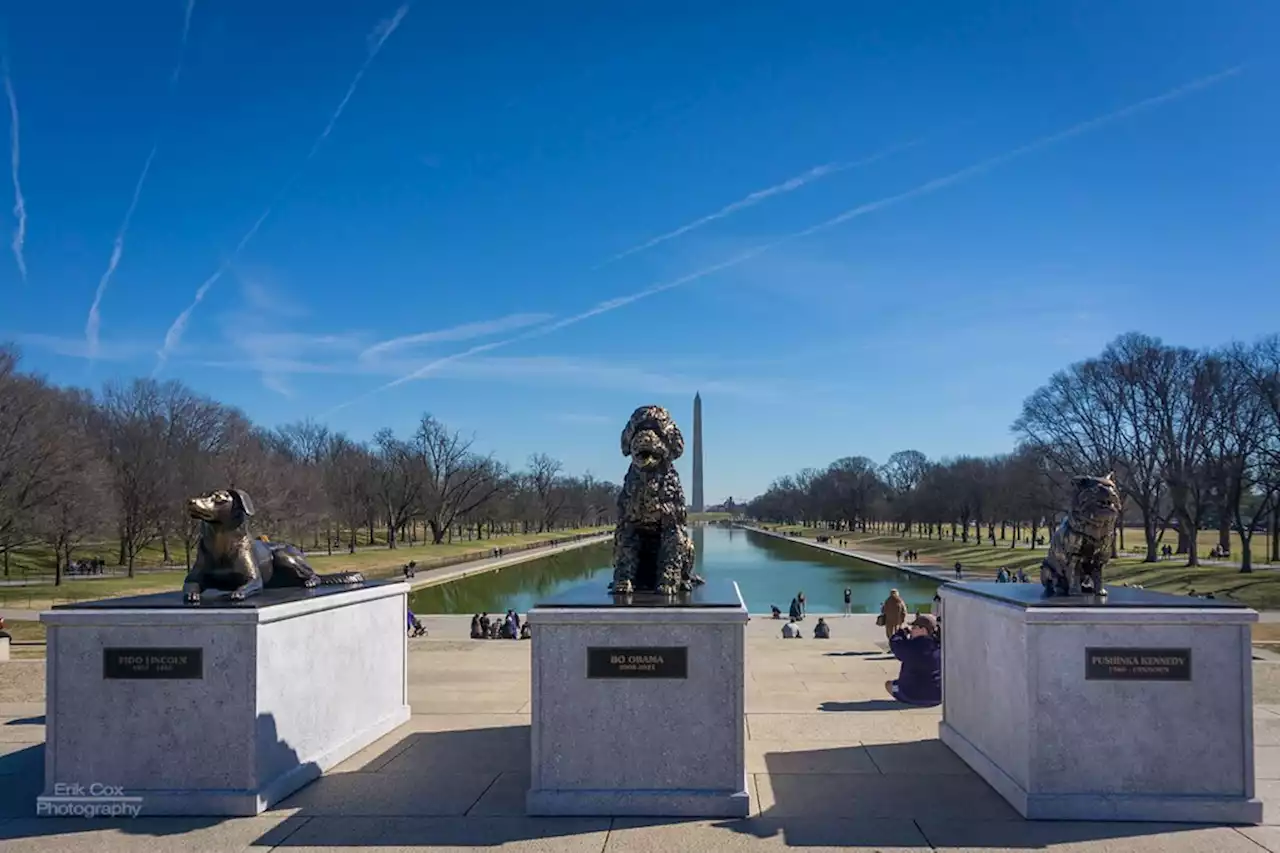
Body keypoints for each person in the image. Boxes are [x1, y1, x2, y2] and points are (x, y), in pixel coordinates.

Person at [885, 613, 941, 706]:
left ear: (923, 630)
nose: (911, 630)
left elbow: (895, 644)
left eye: (914, 627)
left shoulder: (911, 646)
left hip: (911, 695)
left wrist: (901, 633)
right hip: (937, 696)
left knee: (889, 685)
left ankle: (905, 696)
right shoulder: (938, 646)